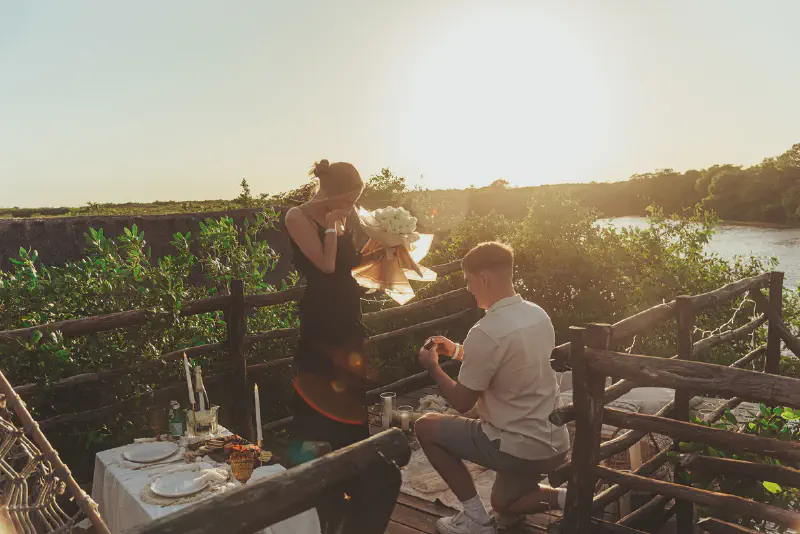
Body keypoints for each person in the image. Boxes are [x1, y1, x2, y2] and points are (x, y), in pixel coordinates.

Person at [416, 242, 570, 534]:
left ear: (483, 278)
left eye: (469, 281)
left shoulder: (486, 330)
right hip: (553, 442)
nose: (469, 289)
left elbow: (461, 401)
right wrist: (458, 351)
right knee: (503, 503)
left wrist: (433, 367)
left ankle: (474, 518)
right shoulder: (537, 314)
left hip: (515, 446)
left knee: (426, 426)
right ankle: (568, 498)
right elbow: (509, 362)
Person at [285, 159, 370, 465]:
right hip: (322, 314)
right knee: (319, 380)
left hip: (348, 309)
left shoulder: (343, 214)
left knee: (350, 380)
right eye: (349, 199)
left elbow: (351, 262)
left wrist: (386, 245)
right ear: (330, 193)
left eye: (355, 201)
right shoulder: (298, 216)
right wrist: (333, 225)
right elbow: (326, 265)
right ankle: (312, 463)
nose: (352, 206)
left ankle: (352, 458)